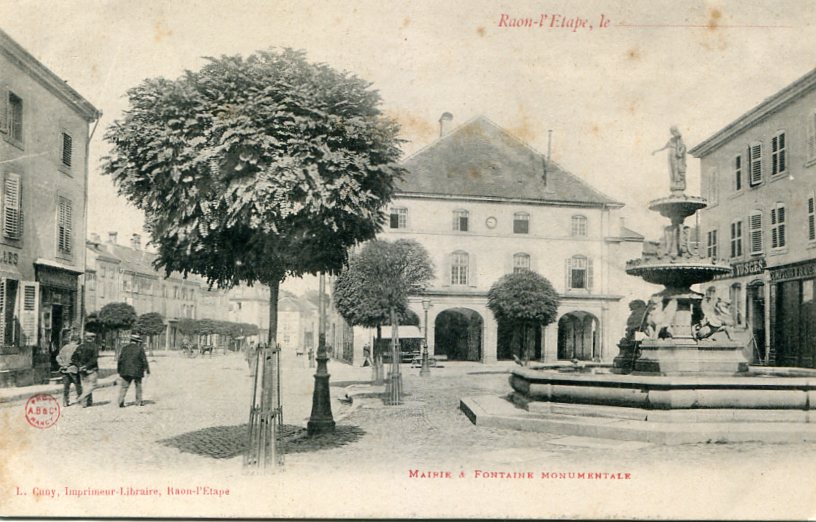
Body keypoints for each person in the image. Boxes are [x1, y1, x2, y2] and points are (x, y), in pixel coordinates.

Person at [117, 333, 150, 407]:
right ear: (137, 341)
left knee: (124, 387)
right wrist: (147, 370)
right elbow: (144, 360)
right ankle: (138, 402)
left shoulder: (124, 348)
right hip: (137, 371)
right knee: (138, 386)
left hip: (125, 371)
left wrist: (119, 370)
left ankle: (120, 401)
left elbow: (120, 360)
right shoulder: (140, 349)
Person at [652, 126, 687, 193]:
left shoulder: (679, 139)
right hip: (670, 155)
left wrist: (680, 152)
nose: (672, 133)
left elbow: (682, 147)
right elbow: (664, 147)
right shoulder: (671, 140)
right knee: (672, 169)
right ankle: (674, 182)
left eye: (673, 131)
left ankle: (678, 182)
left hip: (676, 155)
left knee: (677, 168)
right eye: (672, 132)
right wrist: (656, 151)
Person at [74, 332, 100, 408]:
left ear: (85, 338)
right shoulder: (95, 346)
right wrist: (86, 366)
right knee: (93, 385)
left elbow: (73, 358)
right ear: (93, 338)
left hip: (82, 370)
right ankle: (81, 398)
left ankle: (85, 403)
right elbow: (94, 359)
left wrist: (80, 366)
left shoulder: (80, 347)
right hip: (91, 369)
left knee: (85, 386)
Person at [56, 334, 83, 407]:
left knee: (66, 387)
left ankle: (65, 401)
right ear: (77, 340)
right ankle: (80, 400)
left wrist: (62, 364)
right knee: (78, 386)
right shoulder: (78, 347)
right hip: (74, 369)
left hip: (64, 370)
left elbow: (58, 357)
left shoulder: (65, 347)